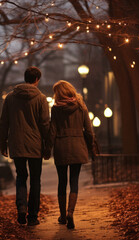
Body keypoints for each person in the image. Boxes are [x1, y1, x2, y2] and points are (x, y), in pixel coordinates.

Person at [0, 66, 50, 226]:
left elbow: (3, 123)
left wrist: (3, 144)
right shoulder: (41, 99)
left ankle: (21, 208)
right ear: (37, 80)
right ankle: (33, 216)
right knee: (35, 179)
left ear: (25, 77)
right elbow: (45, 124)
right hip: (35, 145)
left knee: (21, 177)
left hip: (17, 144)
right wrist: (48, 146)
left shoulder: (10, 98)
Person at [44, 80, 95, 229]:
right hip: (78, 145)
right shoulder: (81, 106)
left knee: (62, 182)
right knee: (74, 181)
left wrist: (48, 148)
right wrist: (91, 145)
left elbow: (52, 130)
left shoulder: (56, 109)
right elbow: (89, 129)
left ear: (58, 93)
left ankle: (62, 216)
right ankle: (70, 212)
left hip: (61, 146)